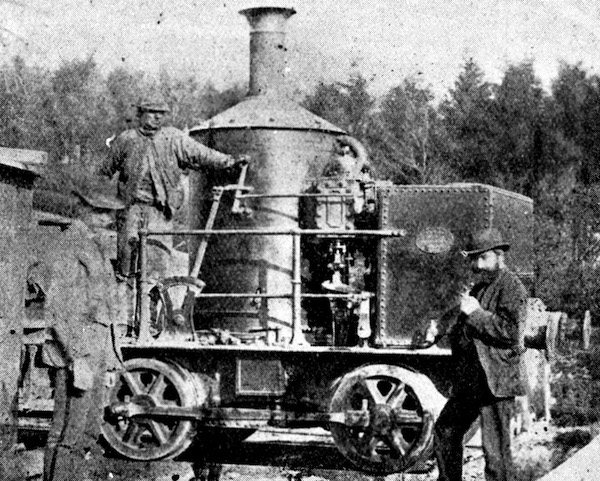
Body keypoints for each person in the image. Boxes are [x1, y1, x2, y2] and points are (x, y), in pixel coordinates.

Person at [100, 94, 248, 281]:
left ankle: (153, 306)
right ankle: (127, 302)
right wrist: (109, 207)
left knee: (156, 267)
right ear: (141, 114)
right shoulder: (126, 140)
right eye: (152, 112)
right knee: (126, 266)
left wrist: (229, 161)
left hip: (160, 213)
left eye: (161, 113)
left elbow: (201, 154)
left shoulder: (174, 138)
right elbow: (104, 172)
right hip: (131, 210)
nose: (157, 117)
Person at [429, 228, 528, 481]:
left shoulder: (511, 287)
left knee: (496, 455)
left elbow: (511, 331)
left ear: (498, 256)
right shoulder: (480, 288)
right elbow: (464, 323)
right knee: (446, 431)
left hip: (496, 381)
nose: (476, 264)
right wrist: (440, 329)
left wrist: (476, 314)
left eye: (482, 258)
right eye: (473, 259)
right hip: (472, 380)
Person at [38, 218, 120, 481]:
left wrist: (108, 362)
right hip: (79, 349)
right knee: (67, 434)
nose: (110, 216)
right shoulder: (69, 245)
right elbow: (57, 311)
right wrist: (77, 357)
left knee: (88, 432)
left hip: (95, 348)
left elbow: (106, 313)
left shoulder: (95, 245)